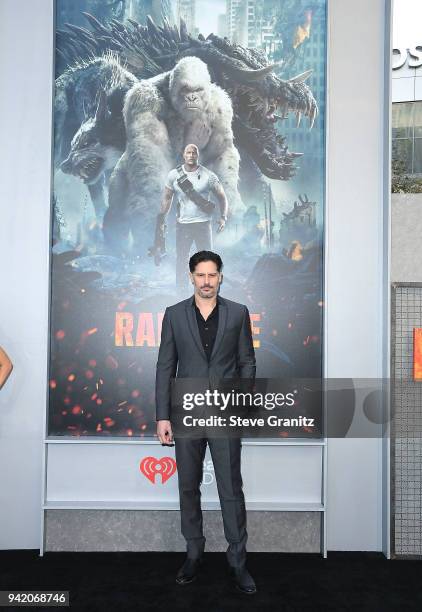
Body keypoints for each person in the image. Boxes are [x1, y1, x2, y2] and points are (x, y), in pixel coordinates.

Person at [155, 250, 257, 594]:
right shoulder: (173, 315)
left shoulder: (238, 313)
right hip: (186, 412)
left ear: (221, 277)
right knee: (188, 487)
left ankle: (238, 563)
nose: (207, 281)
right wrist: (162, 416)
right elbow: (165, 368)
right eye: (201, 275)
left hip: (226, 413)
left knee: (231, 490)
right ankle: (193, 554)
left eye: (212, 275)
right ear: (191, 277)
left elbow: (247, 362)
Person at [154, 144, 229, 291]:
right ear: (184, 154)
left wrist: (223, 217)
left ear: (197, 155)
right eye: (188, 152)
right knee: (182, 259)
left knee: (207, 260)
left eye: (194, 153)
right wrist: (162, 219)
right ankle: (181, 290)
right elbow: (167, 199)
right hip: (183, 225)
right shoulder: (174, 175)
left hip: (203, 224)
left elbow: (222, 197)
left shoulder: (209, 175)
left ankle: (207, 289)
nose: (191, 155)